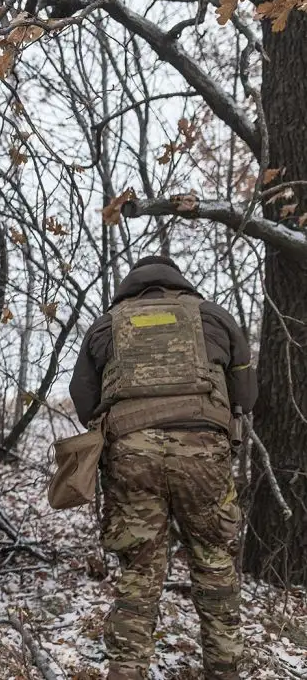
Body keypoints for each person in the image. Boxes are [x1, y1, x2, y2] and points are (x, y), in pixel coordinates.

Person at [70, 255, 256, 680]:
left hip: (132, 454)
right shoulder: (214, 317)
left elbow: (82, 395)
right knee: (213, 561)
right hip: (204, 453)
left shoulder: (106, 325)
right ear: (179, 281)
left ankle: (127, 670)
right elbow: (246, 391)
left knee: (139, 568)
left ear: (131, 285)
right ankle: (225, 671)